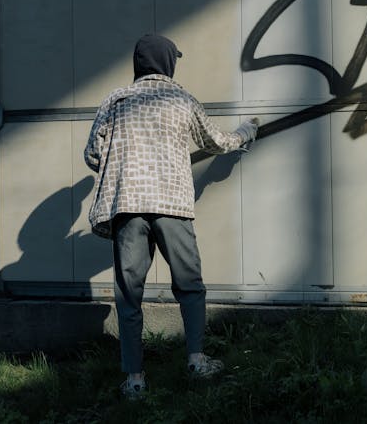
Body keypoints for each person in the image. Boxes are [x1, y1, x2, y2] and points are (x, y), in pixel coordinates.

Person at [84, 34, 258, 399]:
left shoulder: (115, 100)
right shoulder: (181, 98)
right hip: (172, 206)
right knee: (190, 285)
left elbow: (92, 154)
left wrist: (124, 160)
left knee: (129, 295)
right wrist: (246, 131)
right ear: (168, 63)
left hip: (127, 206)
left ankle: (135, 381)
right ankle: (196, 360)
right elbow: (215, 142)